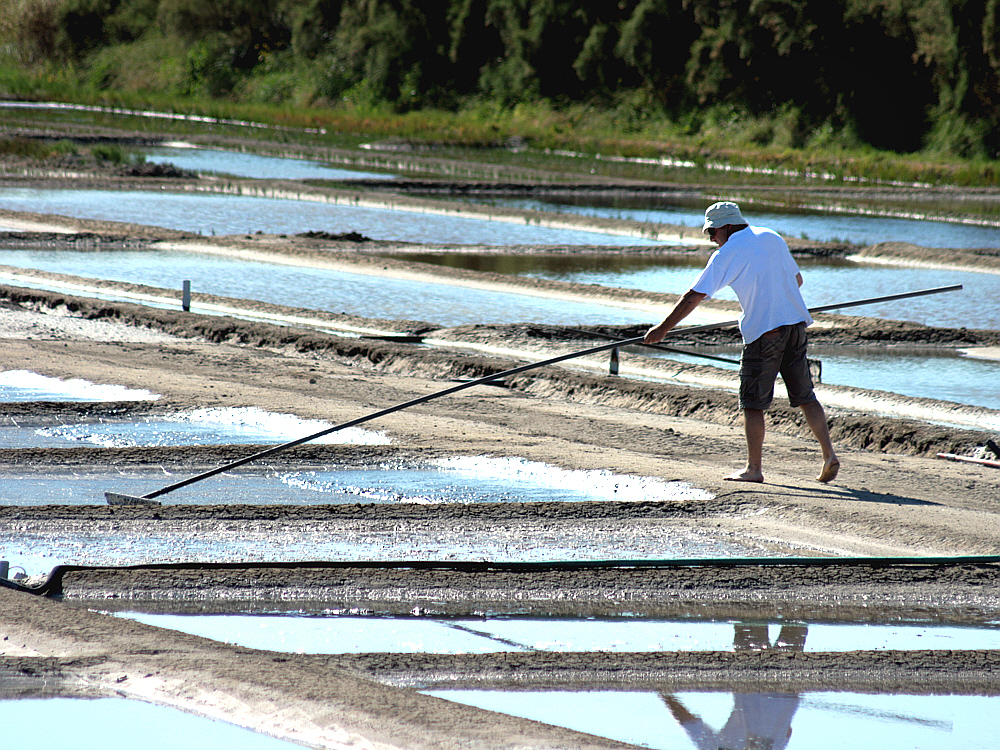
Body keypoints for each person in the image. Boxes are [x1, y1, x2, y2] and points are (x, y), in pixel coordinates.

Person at [644, 201, 839, 483]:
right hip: (796, 325)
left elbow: (693, 296)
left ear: (726, 225)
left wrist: (662, 329)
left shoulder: (728, 252)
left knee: (753, 404)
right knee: (806, 396)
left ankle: (754, 470)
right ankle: (828, 455)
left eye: (712, 231)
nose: (711, 237)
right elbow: (797, 280)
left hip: (765, 334)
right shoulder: (772, 236)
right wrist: (765, 295)